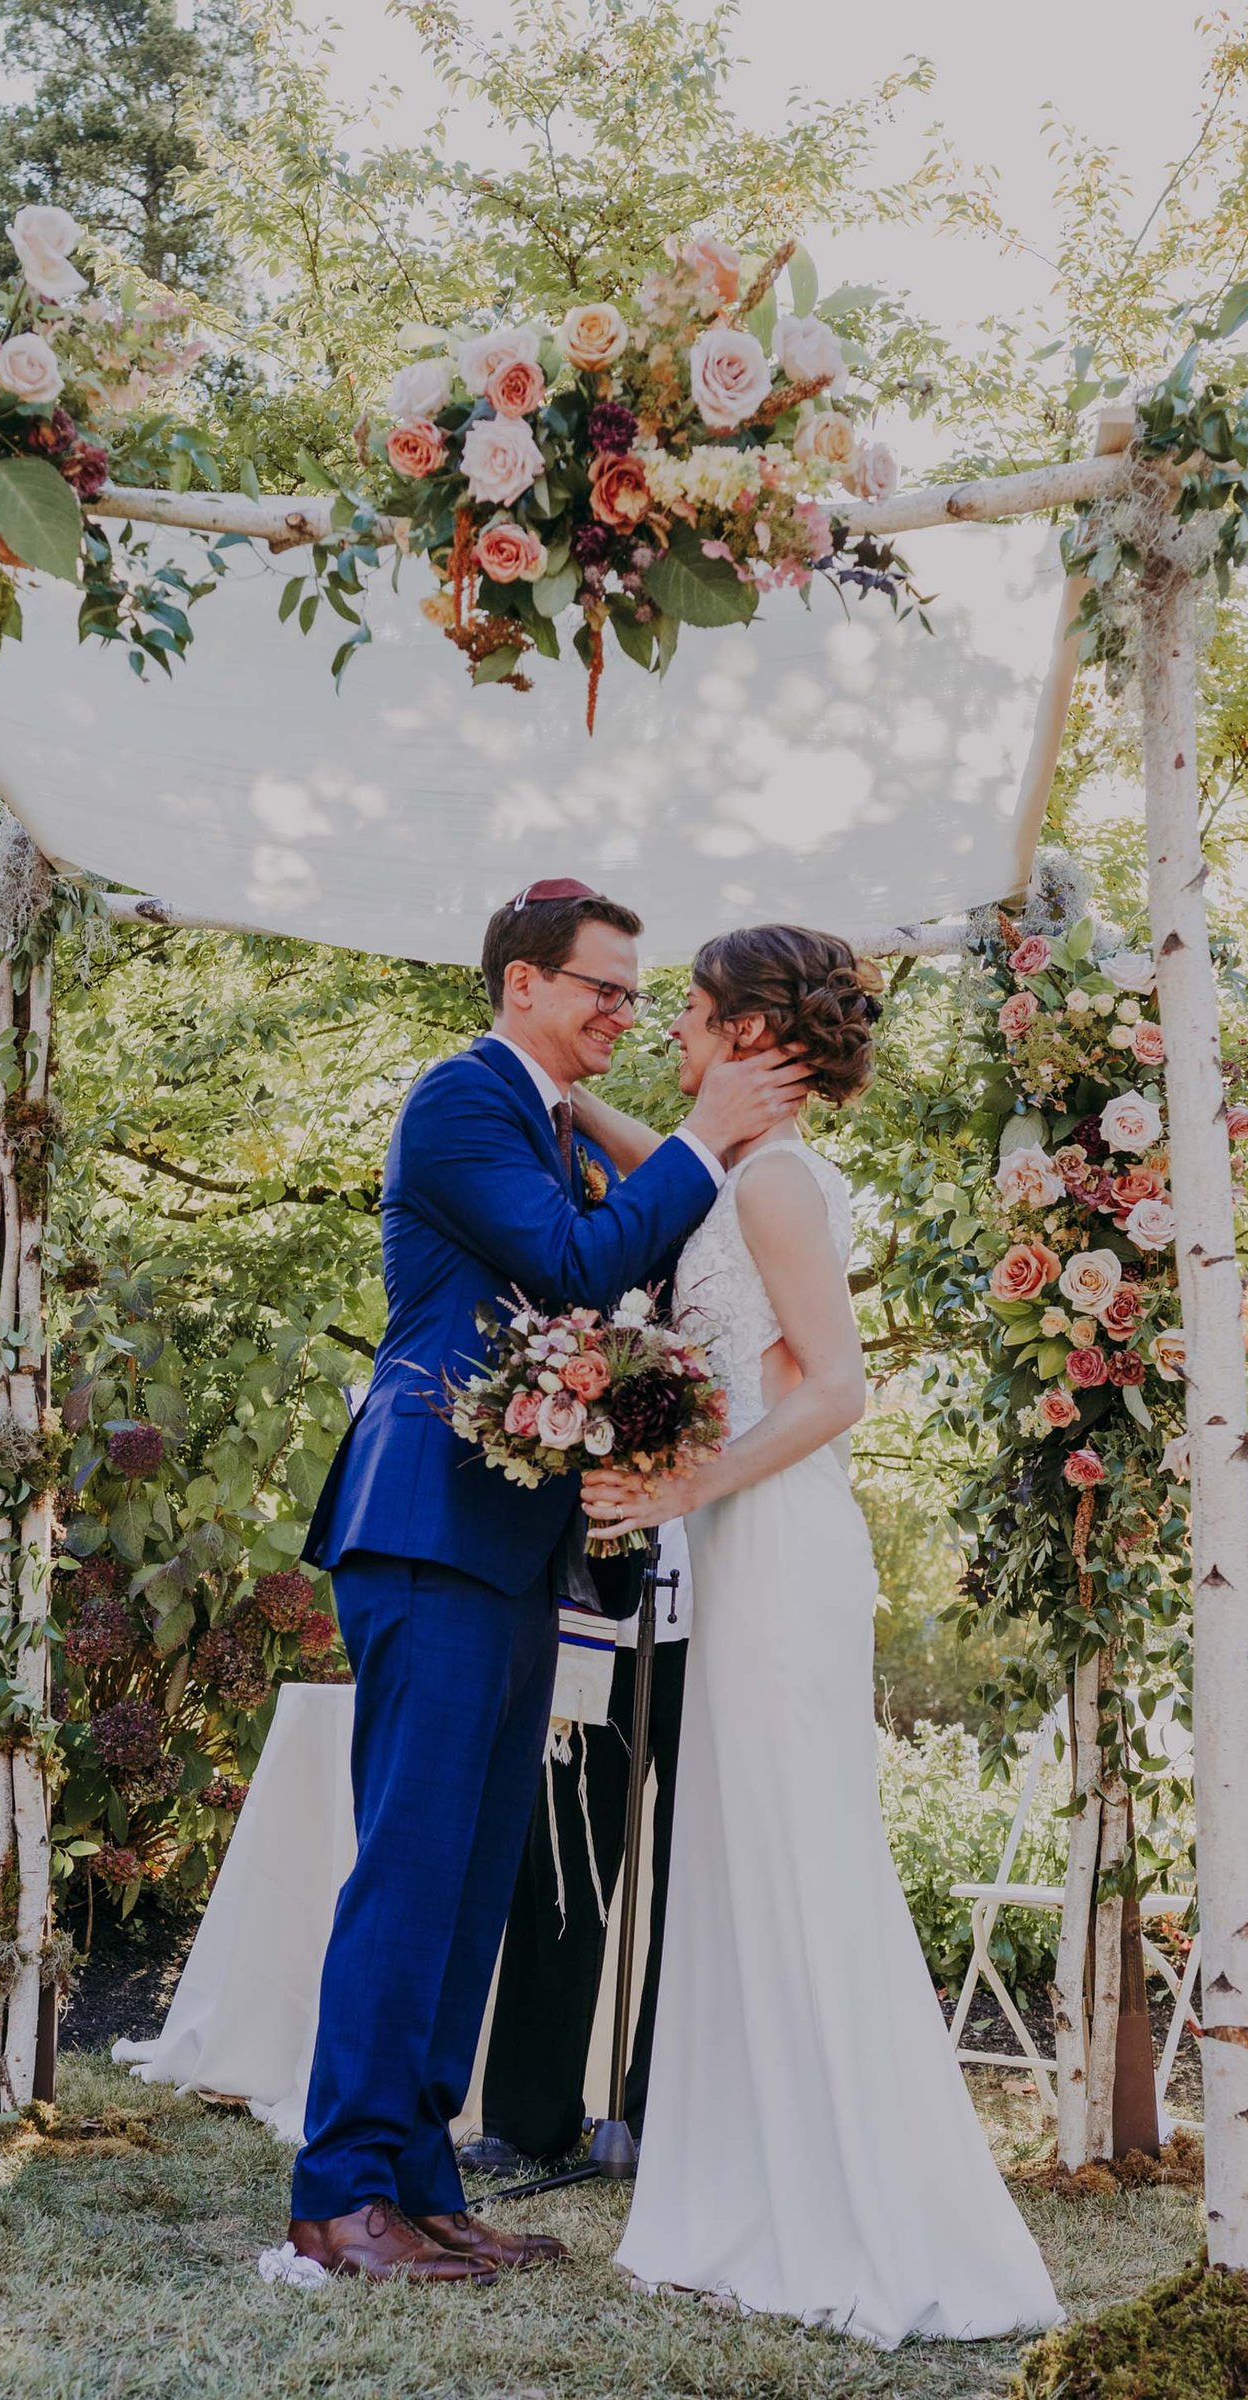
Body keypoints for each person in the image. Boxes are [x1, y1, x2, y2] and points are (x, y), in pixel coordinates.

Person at [283, 880, 810, 2286]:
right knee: (411, 1869)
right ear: (524, 983)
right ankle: (339, 2197)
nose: (626, 1014)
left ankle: (421, 2178)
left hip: (513, 1543)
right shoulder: (462, 1099)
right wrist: (702, 1132)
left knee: (472, 1882)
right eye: (605, 988)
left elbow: (623, 1273)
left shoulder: (554, 1123)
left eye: (640, 994)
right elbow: (575, 1262)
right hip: (427, 1526)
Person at [580, 924, 1062, 2346]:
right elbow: (669, 1171)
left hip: (782, 1548)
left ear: (746, 1030)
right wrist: (562, 1100)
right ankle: (755, 2191)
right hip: (746, 1548)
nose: (671, 1026)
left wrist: (685, 1486)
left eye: (690, 1006)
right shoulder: (740, 1170)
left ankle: (852, 2209)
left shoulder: (780, 1182)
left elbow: (837, 1389)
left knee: (797, 1857)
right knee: (741, 1860)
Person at [462, 1515, 693, 2177]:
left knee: (696, 1878)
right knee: (562, 1869)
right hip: (593, 1612)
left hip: (719, 1623)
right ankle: (528, 2120)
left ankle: (665, 2113)